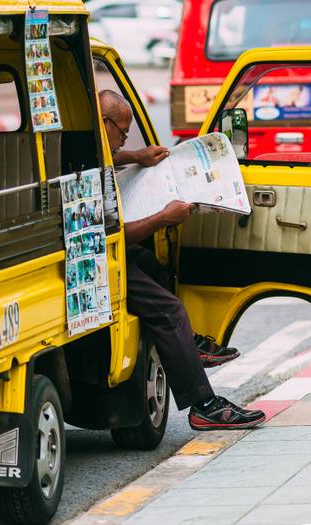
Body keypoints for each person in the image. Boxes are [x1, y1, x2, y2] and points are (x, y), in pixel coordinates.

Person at [99, 89, 265, 430]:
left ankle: (185, 342)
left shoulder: (87, 141)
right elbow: (110, 237)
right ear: (105, 123)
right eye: (122, 132)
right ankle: (203, 405)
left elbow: (105, 154)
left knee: (148, 260)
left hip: (114, 252)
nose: (122, 140)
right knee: (169, 310)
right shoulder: (87, 154)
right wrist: (162, 218)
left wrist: (137, 156)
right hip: (99, 259)